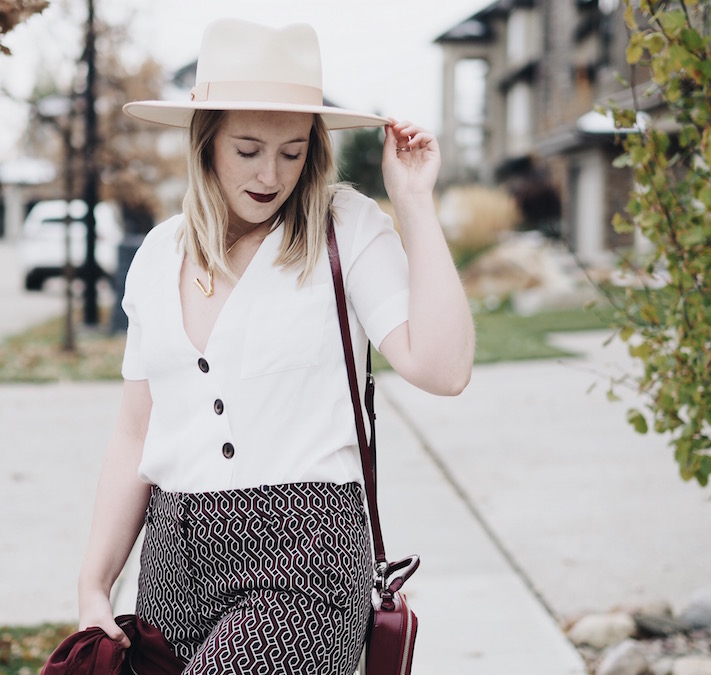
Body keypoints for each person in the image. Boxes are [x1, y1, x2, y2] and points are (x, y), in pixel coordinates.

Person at [76, 17, 474, 675]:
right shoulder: (155, 256)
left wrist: (414, 204)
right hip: (170, 566)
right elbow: (134, 432)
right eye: (249, 148)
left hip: (306, 554)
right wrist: (95, 582)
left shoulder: (344, 228)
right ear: (207, 143)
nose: (271, 173)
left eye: (292, 152)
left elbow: (443, 366)